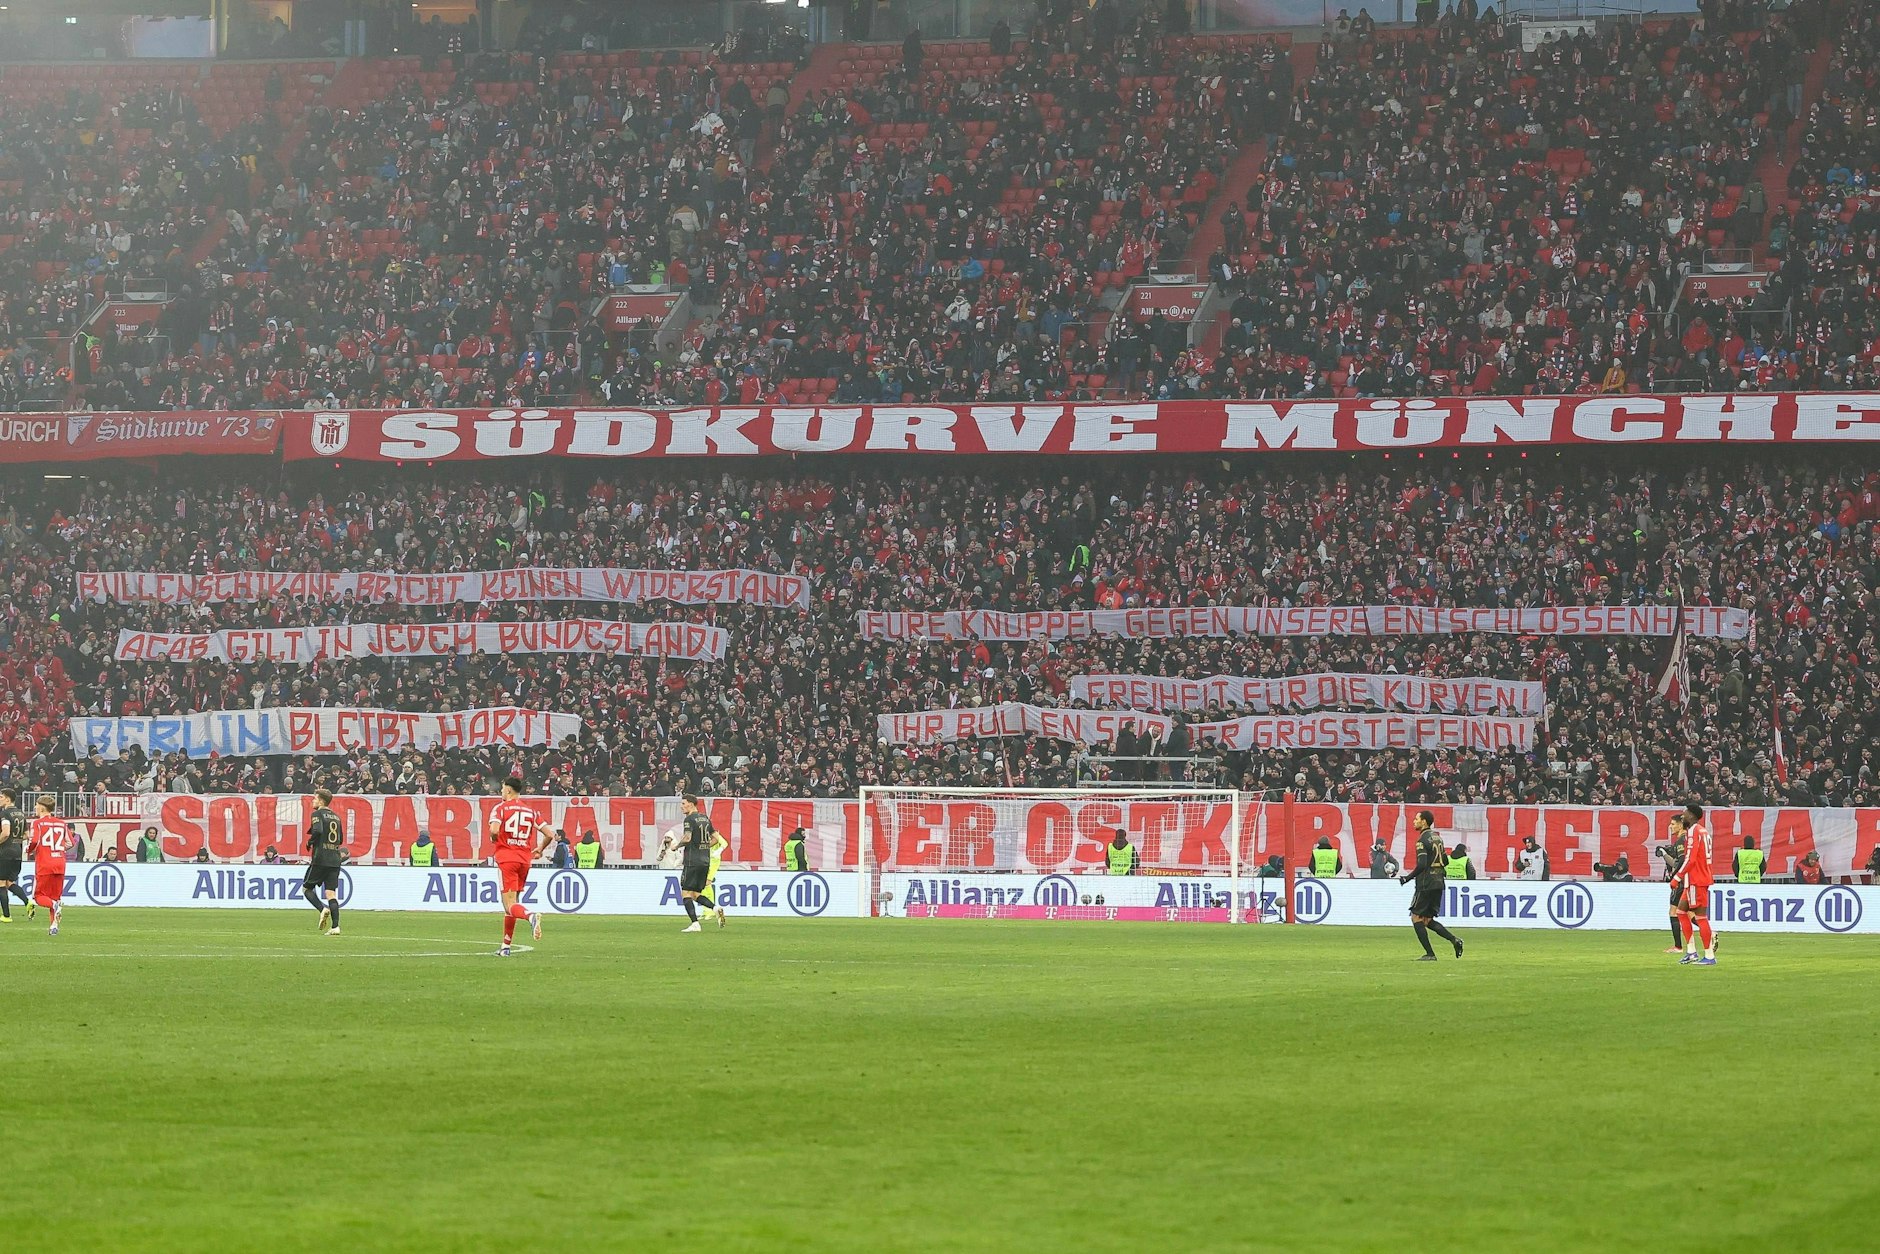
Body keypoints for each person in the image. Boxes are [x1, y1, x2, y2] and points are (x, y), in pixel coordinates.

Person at [489, 777, 549, 956]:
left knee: (509, 905)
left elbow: (493, 830)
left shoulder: (500, 808)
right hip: (524, 860)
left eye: (502, 789)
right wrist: (540, 849)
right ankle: (505, 947)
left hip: (507, 858)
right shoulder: (530, 811)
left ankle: (530, 916)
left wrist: (495, 839)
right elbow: (550, 834)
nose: (501, 792)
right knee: (513, 903)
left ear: (508, 790)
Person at [1401, 811, 1463, 960]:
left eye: (1416, 819)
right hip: (1439, 882)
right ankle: (1454, 940)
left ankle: (1430, 954)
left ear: (1424, 822)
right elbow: (1445, 861)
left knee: (1416, 917)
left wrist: (1407, 878)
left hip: (1426, 883)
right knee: (1427, 920)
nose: (1414, 821)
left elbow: (1422, 864)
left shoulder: (1422, 840)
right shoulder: (1438, 838)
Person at [1673, 802, 1717, 966]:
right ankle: (1691, 952)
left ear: (1691, 815)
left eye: (1684, 813)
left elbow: (1690, 859)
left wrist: (1677, 877)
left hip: (1695, 879)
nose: (1682, 816)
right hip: (1700, 877)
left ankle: (1709, 955)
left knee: (1700, 916)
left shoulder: (1693, 831)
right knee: (1681, 912)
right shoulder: (1704, 831)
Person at [676, 793, 725, 932]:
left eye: (683, 803)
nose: (682, 807)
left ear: (691, 804)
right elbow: (716, 839)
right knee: (695, 894)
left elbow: (687, 838)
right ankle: (716, 908)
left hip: (692, 861)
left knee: (685, 893)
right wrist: (703, 846)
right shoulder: (705, 818)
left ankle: (695, 924)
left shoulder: (689, 819)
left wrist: (676, 846)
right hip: (705, 861)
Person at [302, 787, 347, 936]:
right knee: (330, 893)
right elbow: (340, 839)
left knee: (306, 888)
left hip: (321, 858)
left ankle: (322, 909)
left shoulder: (317, 814)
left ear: (321, 801)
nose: (313, 801)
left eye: (315, 798)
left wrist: (310, 842)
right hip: (335, 859)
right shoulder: (336, 817)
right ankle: (335, 927)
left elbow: (318, 830)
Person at [26, 796, 73, 935]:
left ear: (41, 807)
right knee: (56, 896)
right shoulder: (62, 823)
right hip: (59, 863)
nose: (35, 808)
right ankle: (54, 926)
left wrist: (28, 850)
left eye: (36, 805)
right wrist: (58, 850)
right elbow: (70, 843)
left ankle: (55, 906)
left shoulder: (38, 823)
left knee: (38, 897)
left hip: (45, 864)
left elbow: (34, 840)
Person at [1659, 816, 1688, 953]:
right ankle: (1710, 933)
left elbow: (1681, 861)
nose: (1670, 826)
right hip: (1686, 880)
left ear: (1681, 825)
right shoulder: (1685, 839)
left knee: (1674, 911)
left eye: (1672, 824)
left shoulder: (1682, 840)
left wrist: (1675, 876)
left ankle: (1678, 947)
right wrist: (1666, 853)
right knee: (1690, 914)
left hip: (1681, 881)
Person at [0, 787, 27, 923]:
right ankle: (28, 902)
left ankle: (6, 915)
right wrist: (15, 842)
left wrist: (5, 841)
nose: (0, 799)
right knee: (10, 883)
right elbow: (27, 835)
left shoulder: (4, 814)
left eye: (1, 797)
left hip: (5, 852)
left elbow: (5, 833)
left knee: (0, 884)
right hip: (17, 851)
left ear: (8, 799)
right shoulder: (21, 814)